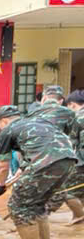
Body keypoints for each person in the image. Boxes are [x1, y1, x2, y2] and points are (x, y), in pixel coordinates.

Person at [0, 110, 79, 239]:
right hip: (69, 160)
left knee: (18, 204)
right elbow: (42, 145)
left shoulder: (7, 130)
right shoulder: (39, 121)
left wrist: (0, 185)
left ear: (2, 121)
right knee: (37, 204)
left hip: (47, 162)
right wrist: (22, 169)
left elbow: (3, 166)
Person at [26, 85, 84, 225]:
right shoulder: (71, 115)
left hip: (73, 160)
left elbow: (72, 140)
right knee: (77, 189)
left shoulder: (76, 116)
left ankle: (79, 216)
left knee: (65, 190)